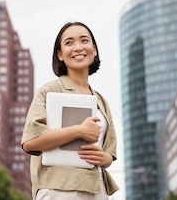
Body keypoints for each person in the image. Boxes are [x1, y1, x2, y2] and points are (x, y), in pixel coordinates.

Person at [21, 22, 119, 200]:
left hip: (97, 189)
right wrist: (78, 131)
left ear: (94, 50)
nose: (78, 47)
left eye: (84, 40)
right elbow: (30, 141)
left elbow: (109, 153)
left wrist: (104, 158)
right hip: (60, 190)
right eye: (69, 43)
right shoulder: (49, 91)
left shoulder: (101, 101)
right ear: (60, 54)